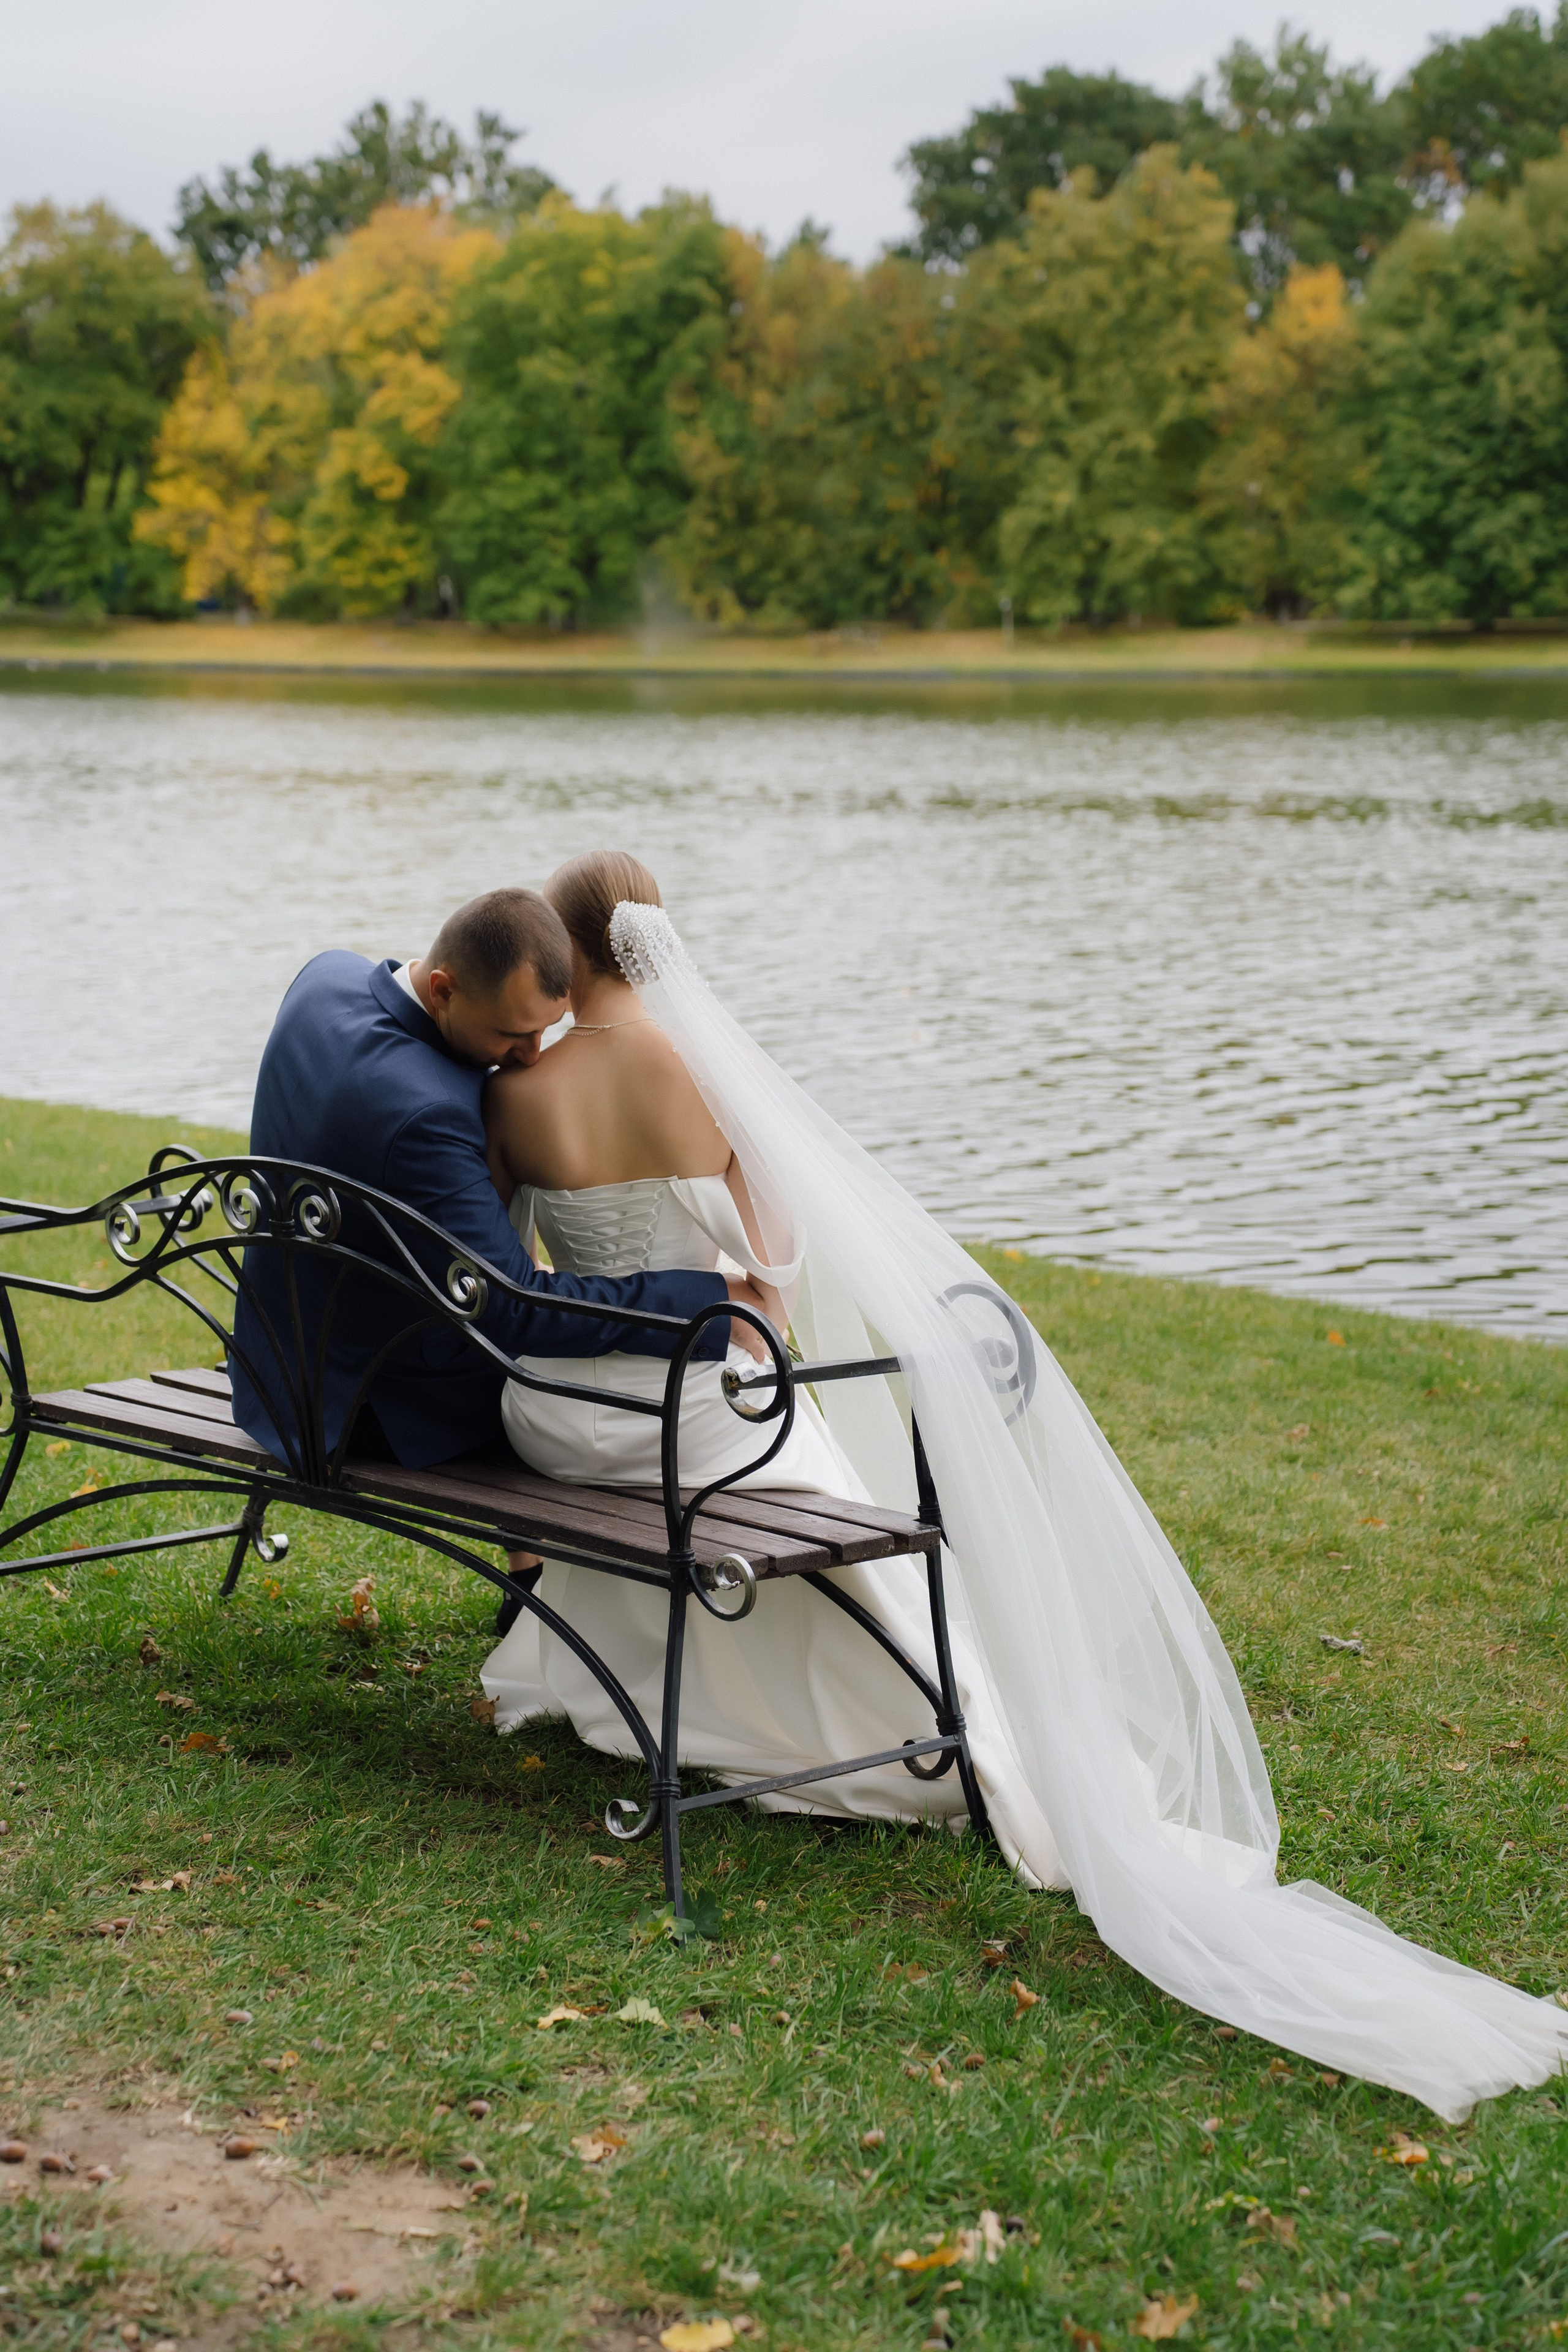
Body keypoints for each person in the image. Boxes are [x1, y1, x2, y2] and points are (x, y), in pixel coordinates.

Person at [480, 851, 1568, 2124]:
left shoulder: (513, 1086)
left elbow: (521, 1263)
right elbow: (771, 1251)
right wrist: (745, 1288)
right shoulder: (688, 1070)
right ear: (654, 943)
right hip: (688, 1423)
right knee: (801, 1453)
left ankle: (647, 1687)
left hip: (559, 1418)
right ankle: (931, 1734)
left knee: (770, 1442)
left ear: (560, 953)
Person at [230, 887, 768, 1481]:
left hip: (272, 1366)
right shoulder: (426, 1114)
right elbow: (512, 1306)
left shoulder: (325, 976)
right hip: (368, 1409)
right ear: (443, 989)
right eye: (513, 1036)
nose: (533, 1057)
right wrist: (707, 1308)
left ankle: (535, 1567)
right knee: (589, 1406)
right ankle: (542, 1564)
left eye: (546, 1031)